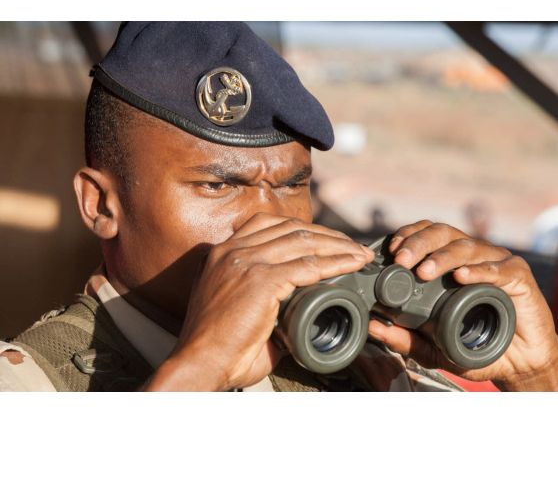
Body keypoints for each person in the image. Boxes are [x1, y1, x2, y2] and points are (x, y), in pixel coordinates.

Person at [1, 22, 557, 392]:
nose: (271, 222)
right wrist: (201, 370)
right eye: (218, 188)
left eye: (293, 185)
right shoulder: (30, 385)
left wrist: (536, 377)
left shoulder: (352, 356)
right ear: (100, 205)